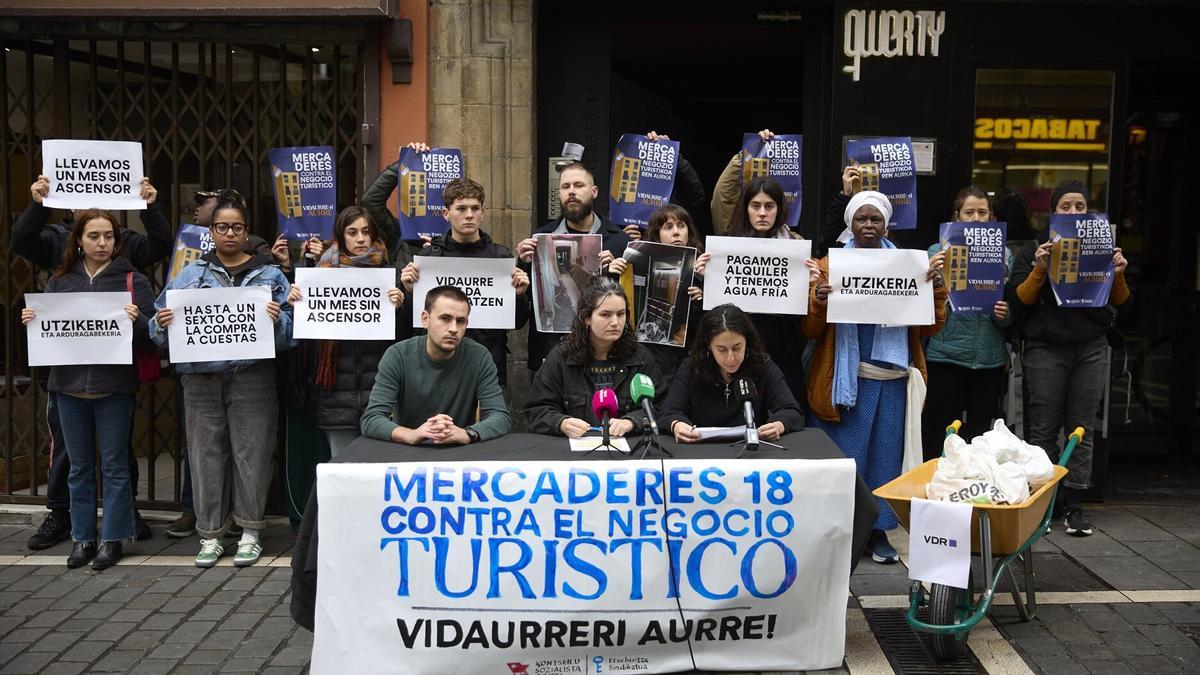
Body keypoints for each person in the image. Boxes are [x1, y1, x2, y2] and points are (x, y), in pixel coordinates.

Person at [12, 175, 166, 549]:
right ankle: (75, 529)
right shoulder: (59, 273)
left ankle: (116, 531)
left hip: (114, 386)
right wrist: (34, 321)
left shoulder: (132, 275)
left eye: (108, 236)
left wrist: (150, 206)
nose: (102, 242)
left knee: (114, 463)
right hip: (68, 386)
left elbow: (154, 335)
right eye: (93, 236)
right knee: (74, 462)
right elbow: (20, 241)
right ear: (77, 239)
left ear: (117, 237)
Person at [150, 196, 295, 568]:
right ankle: (211, 533)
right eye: (222, 227)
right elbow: (158, 328)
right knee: (205, 456)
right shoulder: (190, 274)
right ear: (211, 233)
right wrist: (161, 324)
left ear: (247, 233)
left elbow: (293, 334)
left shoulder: (270, 275)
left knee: (253, 454)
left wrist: (278, 319)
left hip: (252, 378)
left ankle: (249, 531)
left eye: (237, 227)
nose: (230, 234)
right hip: (200, 382)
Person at [804, 191, 949, 564]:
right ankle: (843, 532)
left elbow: (930, 329)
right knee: (847, 460)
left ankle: (878, 532)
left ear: (887, 224)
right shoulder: (828, 265)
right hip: (847, 380)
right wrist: (819, 298)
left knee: (886, 460)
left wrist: (934, 288)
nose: (868, 225)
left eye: (876, 219)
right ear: (849, 223)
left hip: (892, 381)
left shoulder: (910, 266)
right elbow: (808, 329)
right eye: (861, 219)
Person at [1007, 180, 1131, 537]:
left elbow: (1122, 302)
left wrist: (1118, 274)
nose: (1074, 213)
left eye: (1080, 207)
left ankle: (1075, 503)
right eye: (1066, 207)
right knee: (1042, 429)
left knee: (1081, 427)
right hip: (1046, 348)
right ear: (1053, 212)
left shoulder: (1102, 250)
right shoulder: (1036, 249)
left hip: (1090, 346)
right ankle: (1044, 502)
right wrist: (1040, 269)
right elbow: (1019, 301)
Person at [286, 206, 404, 457]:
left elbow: (403, 339)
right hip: (335, 391)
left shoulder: (388, 275)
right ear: (341, 236)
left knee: (379, 468)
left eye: (365, 231)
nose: (360, 239)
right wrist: (297, 303)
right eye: (352, 232)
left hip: (379, 389)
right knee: (341, 470)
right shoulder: (320, 273)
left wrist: (399, 308)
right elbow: (307, 337)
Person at [400, 177, 531, 388]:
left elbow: (517, 323)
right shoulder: (430, 257)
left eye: (475, 208)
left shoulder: (500, 257)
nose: (469, 215)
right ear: (446, 213)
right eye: (461, 208)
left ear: (483, 213)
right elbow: (413, 321)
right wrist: (408, 291)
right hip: (437, 370)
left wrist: (519, 296)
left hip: (488, 368)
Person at [698, 167, 808, 402]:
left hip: (782, 348)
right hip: (737, 347)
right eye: (755, 206)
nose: (762, 213)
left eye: (769, 206)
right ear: (745, 208)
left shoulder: (795, 247)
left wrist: (810, 281)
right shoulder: (726, 245)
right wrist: (702, 276)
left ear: (779, 210)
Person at [920, 187, 1013, 460]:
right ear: (956, 218)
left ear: (991, 218)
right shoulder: (936, 251)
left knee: (980, 438)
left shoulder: (1005, 255)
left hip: (988, 358)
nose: (976, 218)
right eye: (969, 212)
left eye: (982, 212)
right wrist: (931, 276)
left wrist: (1005, 313)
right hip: (945, 355)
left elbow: (1014, 310)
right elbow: (922, 308)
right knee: (940, 434)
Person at [361, 285, 512, 444]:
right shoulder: (398, 355)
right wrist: (412, 435)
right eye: (445, 318)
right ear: (425, 319)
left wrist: (467, 434)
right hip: (407, 453)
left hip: (460, 452)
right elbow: (372, 418)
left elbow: (501, 417)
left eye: (460, 321)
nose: (453, 329)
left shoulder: (479, 356)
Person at [516, 162, 629, 371]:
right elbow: (521, 313)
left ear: (594, 192)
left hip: (605, 356)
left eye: (578, 185)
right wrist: (523, 264)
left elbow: (629, 309)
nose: (571, 192)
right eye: (565, 187)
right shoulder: (540, 240)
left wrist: (615, 275)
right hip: (550, 356)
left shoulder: (620, 242)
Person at [524, 276, 666, 438]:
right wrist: (561, 423)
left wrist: (632, 422)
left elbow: (661, 406)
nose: (615, 322)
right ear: (586, 318)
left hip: (626, 453)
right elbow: (537, 409)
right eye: (605, 314)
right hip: (574, 453)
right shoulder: (561, 357)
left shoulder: (640, 358)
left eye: (620, 314)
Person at [659, 304, 803, 441]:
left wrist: (779, 425)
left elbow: (791, 411)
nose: (731, 358)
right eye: (721, 349)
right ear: (709, 345)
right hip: (701, 450)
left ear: (747, 342)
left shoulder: (762, 364)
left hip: (752, 451)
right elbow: (668, 412)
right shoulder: (691, 366)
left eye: (737, 347)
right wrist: (676, 424)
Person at [608, 204, 705, 374]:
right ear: (656, 234)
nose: (676, 232)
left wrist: (702, 294)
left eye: (681, 226)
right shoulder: (637, 261)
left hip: (686, 358)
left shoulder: (702, 266)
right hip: (646, 355)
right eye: (668, 227)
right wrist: (613, 274)